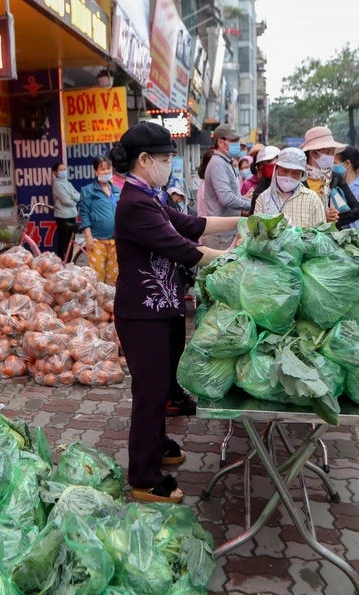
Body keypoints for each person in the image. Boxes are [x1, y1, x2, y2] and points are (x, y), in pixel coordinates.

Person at [110, 121, 242, 502]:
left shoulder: (154, 196)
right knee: (149, 393)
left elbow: (190, 225)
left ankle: (159, 444)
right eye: (166, 158)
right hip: (142, 314)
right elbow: (181, 247)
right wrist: (236, 257)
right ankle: (144, 477)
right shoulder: (134, 204)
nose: (171, 164)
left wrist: (244, 221)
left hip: (165, 307)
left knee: (165, 386)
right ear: (145, 160)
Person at [299, 127, 359, 228]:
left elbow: (358, 210)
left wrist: (334, 218)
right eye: (327, 152)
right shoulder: (298, 178)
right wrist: (321, 217)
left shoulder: (335, 178)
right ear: (312, 153)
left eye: (333, 152)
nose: (331, 156)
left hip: (330, 238)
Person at [200, 123, 251, 249]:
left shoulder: (224, 162)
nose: (237, 144)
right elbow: (226, 198)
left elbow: (234, 195)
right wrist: (251, 205)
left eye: (237, 140)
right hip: (220, 234)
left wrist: (253, 201)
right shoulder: (218, 164)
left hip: (225, 231)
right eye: (233, 140)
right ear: (221, 143)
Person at [253, 148, 326, 228]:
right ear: (276, 170)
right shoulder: (263, 198)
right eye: (284, 171)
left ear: (302, 175)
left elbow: (321, 234)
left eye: (295, 173)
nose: (288, 177)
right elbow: (257, 233)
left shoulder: (312, 199)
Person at [79, 157, 121, 285]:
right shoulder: (88, 190)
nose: (106, 172)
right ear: (96, 172)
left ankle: (111, 304)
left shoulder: (116, 190)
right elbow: (84, 214)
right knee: (97, 277)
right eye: (102, 169)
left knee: (113, 278)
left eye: (108, 168)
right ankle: (99, 304)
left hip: (115, 240)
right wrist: (88, 236)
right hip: (97, 240)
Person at [51, 162, 80, 260]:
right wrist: (74, 200)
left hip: (72, 215)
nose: (64, 171)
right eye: (61, 170)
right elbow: (66, 201)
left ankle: (69, 261)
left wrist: (73, 197)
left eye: (64, 169)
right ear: (55, 172)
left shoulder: (68, 183)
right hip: (62, 216)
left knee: (71, 241)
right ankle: (61, 261)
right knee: (63, 240)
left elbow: (79, 196)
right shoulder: (57, 184)